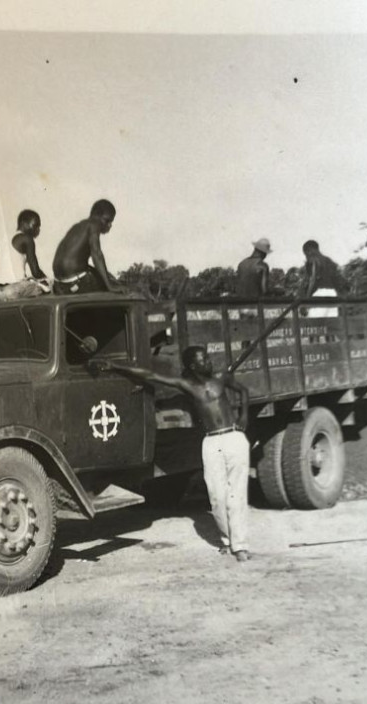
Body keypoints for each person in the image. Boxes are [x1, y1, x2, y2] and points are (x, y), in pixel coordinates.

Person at [92, 346, 251, 560]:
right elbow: (151, 375)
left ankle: (239, 546)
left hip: (233, 437)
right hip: (212, 442)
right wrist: (115, 366)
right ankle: (226, 540)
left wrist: (243, 417)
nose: (209, 361)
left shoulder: (221, 378)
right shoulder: (186, 385)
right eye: (204, 359)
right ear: (193, 366)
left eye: (208, 357)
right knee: (216, 497)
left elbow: (243, 391)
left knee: (236, 495)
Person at [53, 199, 123, 294]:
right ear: (96, 215)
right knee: (115, 285)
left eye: (111, 222)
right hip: (75, 282)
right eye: (107, 220)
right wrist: (110, 286)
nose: (109, 225)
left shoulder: (78, 226)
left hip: (59, 284)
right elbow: (97, 255)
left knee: (105, 276)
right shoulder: (94, 224)